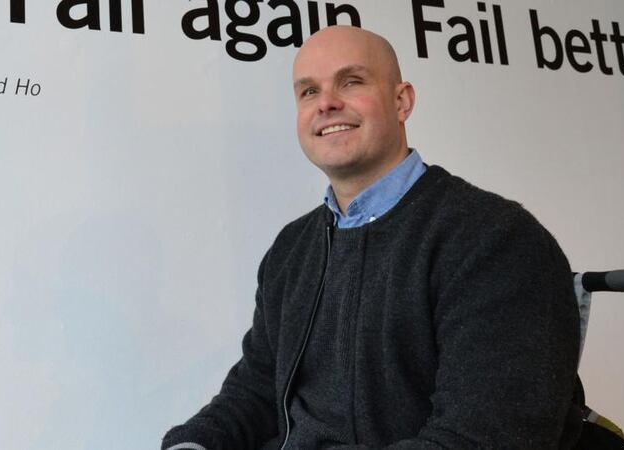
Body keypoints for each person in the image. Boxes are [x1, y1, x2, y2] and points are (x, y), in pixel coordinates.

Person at [162, 26, 581, 450]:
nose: (326, 103)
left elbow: (484, 437)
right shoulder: (291, 250)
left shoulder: (495, 240)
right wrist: (194, 444)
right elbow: (255, 390)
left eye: (351, 81)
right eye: (308, 92)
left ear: (402, 102)